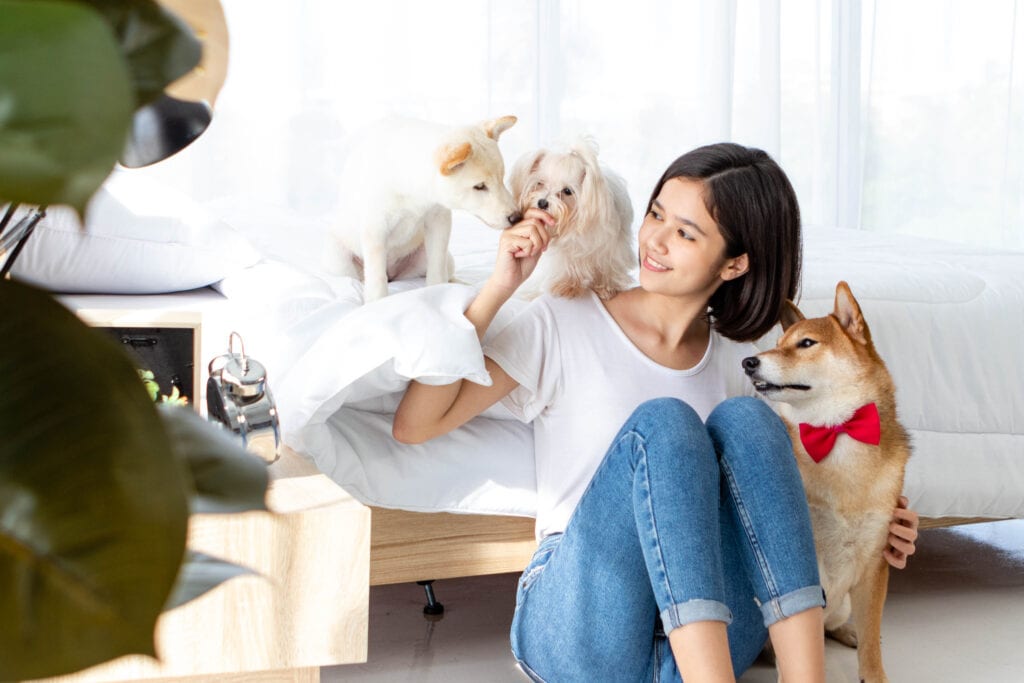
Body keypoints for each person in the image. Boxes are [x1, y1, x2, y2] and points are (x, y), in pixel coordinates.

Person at [393, 142, 918, 682]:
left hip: (712, 632)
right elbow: (416, 424)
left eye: (686, 234)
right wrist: (502, 285)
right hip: (586, 626)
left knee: (751, 422)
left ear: (735, 262)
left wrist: (880, 523)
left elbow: (790, 491)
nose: (656, 241)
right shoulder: (563, 321)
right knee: (665, 423)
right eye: (655, 215)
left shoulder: (744, 364)